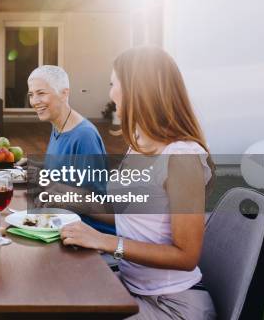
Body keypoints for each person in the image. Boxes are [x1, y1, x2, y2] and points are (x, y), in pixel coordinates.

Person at [59, 49, 216, 319]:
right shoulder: (139, 146)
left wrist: (106, 241)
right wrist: (70, 197)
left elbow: (186, 255)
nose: (110, 94)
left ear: (137, 89)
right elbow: (131, 217)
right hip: (129, 288)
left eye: (113, 84)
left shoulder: (181, 156)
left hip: (171, 305)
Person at [27, 65, 114, 234]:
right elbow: (64, 175)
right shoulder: (58, 126)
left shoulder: (84, 136)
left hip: (86, 233)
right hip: (60, 221)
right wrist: (35, 168)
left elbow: (98, 204)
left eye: (41, 93)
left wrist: (53, 190)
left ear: (64, 93)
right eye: (31, 95)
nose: (34, 101)